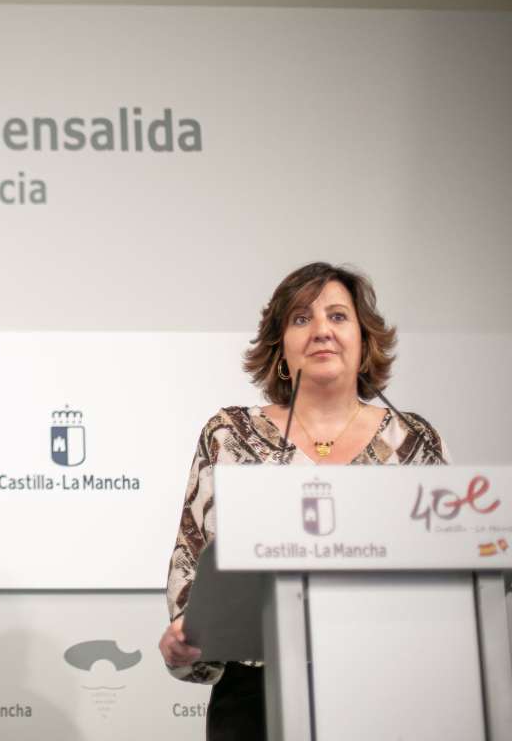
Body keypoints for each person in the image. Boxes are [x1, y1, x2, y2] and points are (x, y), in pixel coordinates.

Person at [157, 262, 448, 740]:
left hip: (388, 693)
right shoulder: (229, 435)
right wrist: (188, 646)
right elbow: (191, 564)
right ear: (280, 348)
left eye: (337, 316)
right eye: (300, 319)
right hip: (257, 698)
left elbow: (449, 569)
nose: (320, 332)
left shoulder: (414, 441)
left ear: (364, 338)